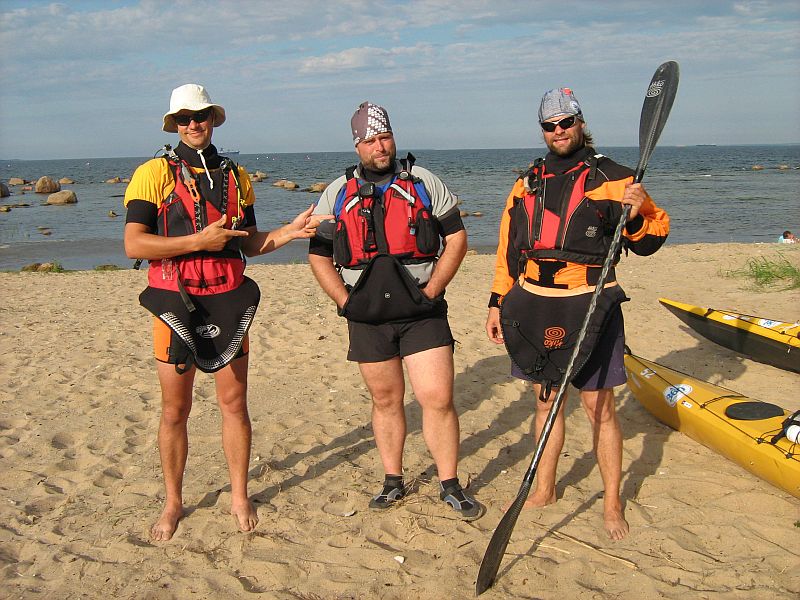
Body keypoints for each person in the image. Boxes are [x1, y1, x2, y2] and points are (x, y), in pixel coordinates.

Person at [124, 83, 330, 541]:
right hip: (174, 302)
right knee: (174, 410)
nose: (193, 124)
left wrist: (289, 233)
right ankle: (173, 502)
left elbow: (249, 244)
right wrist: (199, 241)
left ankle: (239, 495)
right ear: (174, 123)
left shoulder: (236, 176)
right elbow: (134, 244)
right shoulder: (152, 173)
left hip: (228, 298)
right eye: (184, 118)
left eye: (200, 115)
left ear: (213, 118)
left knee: (234, 404)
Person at [485, 88, 670, 540]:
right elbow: (507, 247)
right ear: (543, 130)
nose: (559, 131)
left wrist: (636, 212)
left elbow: (651, 239)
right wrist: (496, 301)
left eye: (566, 122)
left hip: (591, 298)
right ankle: (544, 488)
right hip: (533, 301)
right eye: (550, 125)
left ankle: (611, 505)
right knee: (545, 401)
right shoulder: (527, 181)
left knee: (598, 406)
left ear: (581, 123)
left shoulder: (615, 179)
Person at [308, 101, 484, 520]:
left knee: (437, 398)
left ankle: (450, 483)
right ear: (357, 146)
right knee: (386, 400)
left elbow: (456, 238)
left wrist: (434, 288)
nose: (379, 146)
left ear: (393, 137)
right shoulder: (337, 192)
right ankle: (393, 480)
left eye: (384, 136)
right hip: (367, 314)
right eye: (369, 140)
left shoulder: (423, 182)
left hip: (422, 311)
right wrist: (344, 301)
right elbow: (318, 255)